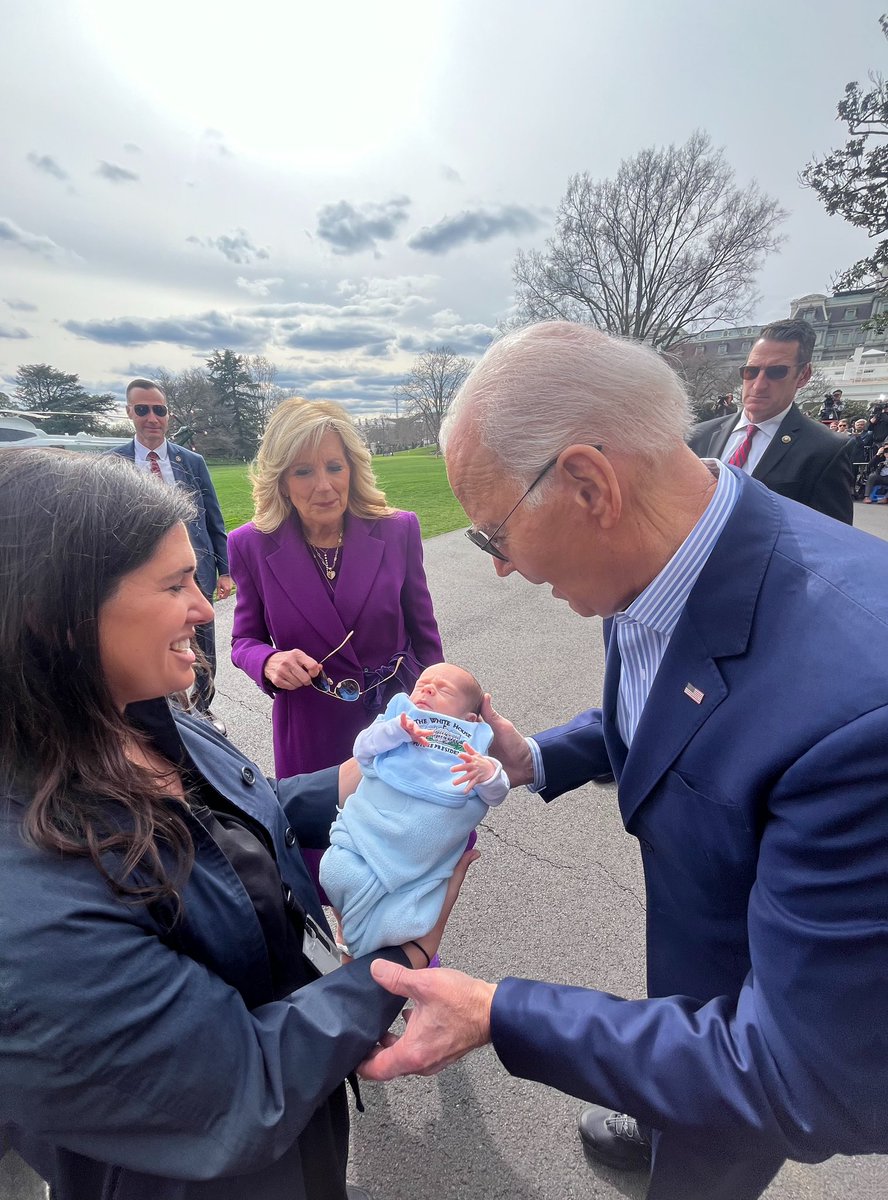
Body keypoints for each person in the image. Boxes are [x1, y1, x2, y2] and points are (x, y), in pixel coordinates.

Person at [356, 322, 888, 1200]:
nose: (498, 570)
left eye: (493, 536)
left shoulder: (860, 714)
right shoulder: (666, 551)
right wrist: (530, 756)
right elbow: (670, 702)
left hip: (747, 1040)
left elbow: (807, 1071)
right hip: (700, 974)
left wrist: (503, 1014)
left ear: (587, 484)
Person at [0, 447, 474, 1200]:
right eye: (174, 584)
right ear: (54, 616)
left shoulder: (131, 709)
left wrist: (372, 774)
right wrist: (404, 958)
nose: (202, 607)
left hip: (297, 1136)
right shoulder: (24, 902)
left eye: (196, 576)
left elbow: (236, 818)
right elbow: (241, 1082)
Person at [228, 397, 442, 780]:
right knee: (325, 834)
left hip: (398, 718)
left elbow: (426, 637)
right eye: (304, 471)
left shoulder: (398, 531)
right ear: (281, 480)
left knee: (418, 830)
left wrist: (442, 710)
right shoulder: (251, 545)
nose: (323, 486)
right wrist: (268, 661)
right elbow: (244, 640)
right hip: (313, 730)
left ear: (352, 470)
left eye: (334, 467)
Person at [320, 663, 508, 957]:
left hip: (418, 851)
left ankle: (371, 947)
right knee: (336, 871)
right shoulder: (398, 720)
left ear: (469, 718)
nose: (428, 689)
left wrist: (489, 774)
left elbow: (496, 795)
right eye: (422, 684)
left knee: (408, 918)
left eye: (443, 689)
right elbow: (362, 750)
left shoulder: (473, 746)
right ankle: (357, 944)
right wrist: (396, 731)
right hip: (369, 830)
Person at [111, 378, 232, 731]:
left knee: (203, 640)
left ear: (168, 414)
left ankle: (203, 707)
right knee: (154, 638)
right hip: (141, 575)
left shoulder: (191, 462)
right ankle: (161, 710)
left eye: (159, 410)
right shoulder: (113, 463)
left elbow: (214, 517)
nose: (152, 417)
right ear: (130, 412)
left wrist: (224, 570)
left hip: (194, 571)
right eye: (143, 409)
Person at [689, 320, 853, 524]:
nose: (758, 385)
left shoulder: (825, 450)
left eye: (776, 372)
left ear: (803, 375)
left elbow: (832, 539)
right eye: (751, 371)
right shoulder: (698, 436)